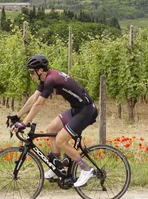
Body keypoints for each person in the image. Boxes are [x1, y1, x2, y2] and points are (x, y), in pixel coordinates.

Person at [10, 54, 98, 188]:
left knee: (60, 140)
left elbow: (38, 104)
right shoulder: (46, 78)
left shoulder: (51, 79)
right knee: (51, 129)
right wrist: (17, 116)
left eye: (32, 72)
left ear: (40, 71)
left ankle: (86, 169)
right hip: (77, 109)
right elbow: (33, 99)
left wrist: (24, 123)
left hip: (86, 111)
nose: (30, 75)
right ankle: (57, 166)